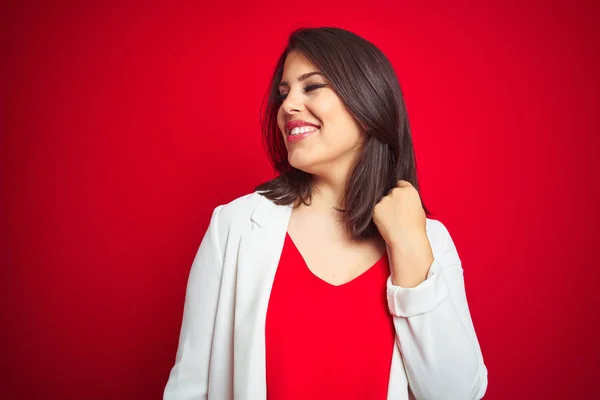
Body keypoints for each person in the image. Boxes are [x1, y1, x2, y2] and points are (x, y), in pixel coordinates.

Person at [163, 27, 488, 400]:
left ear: (368, 100)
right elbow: (189, 387)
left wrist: (410, 246)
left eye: (311, 86)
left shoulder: (429, 241)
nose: (287, 106)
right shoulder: (234, 227)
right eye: (284, 93)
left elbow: (456, 393)